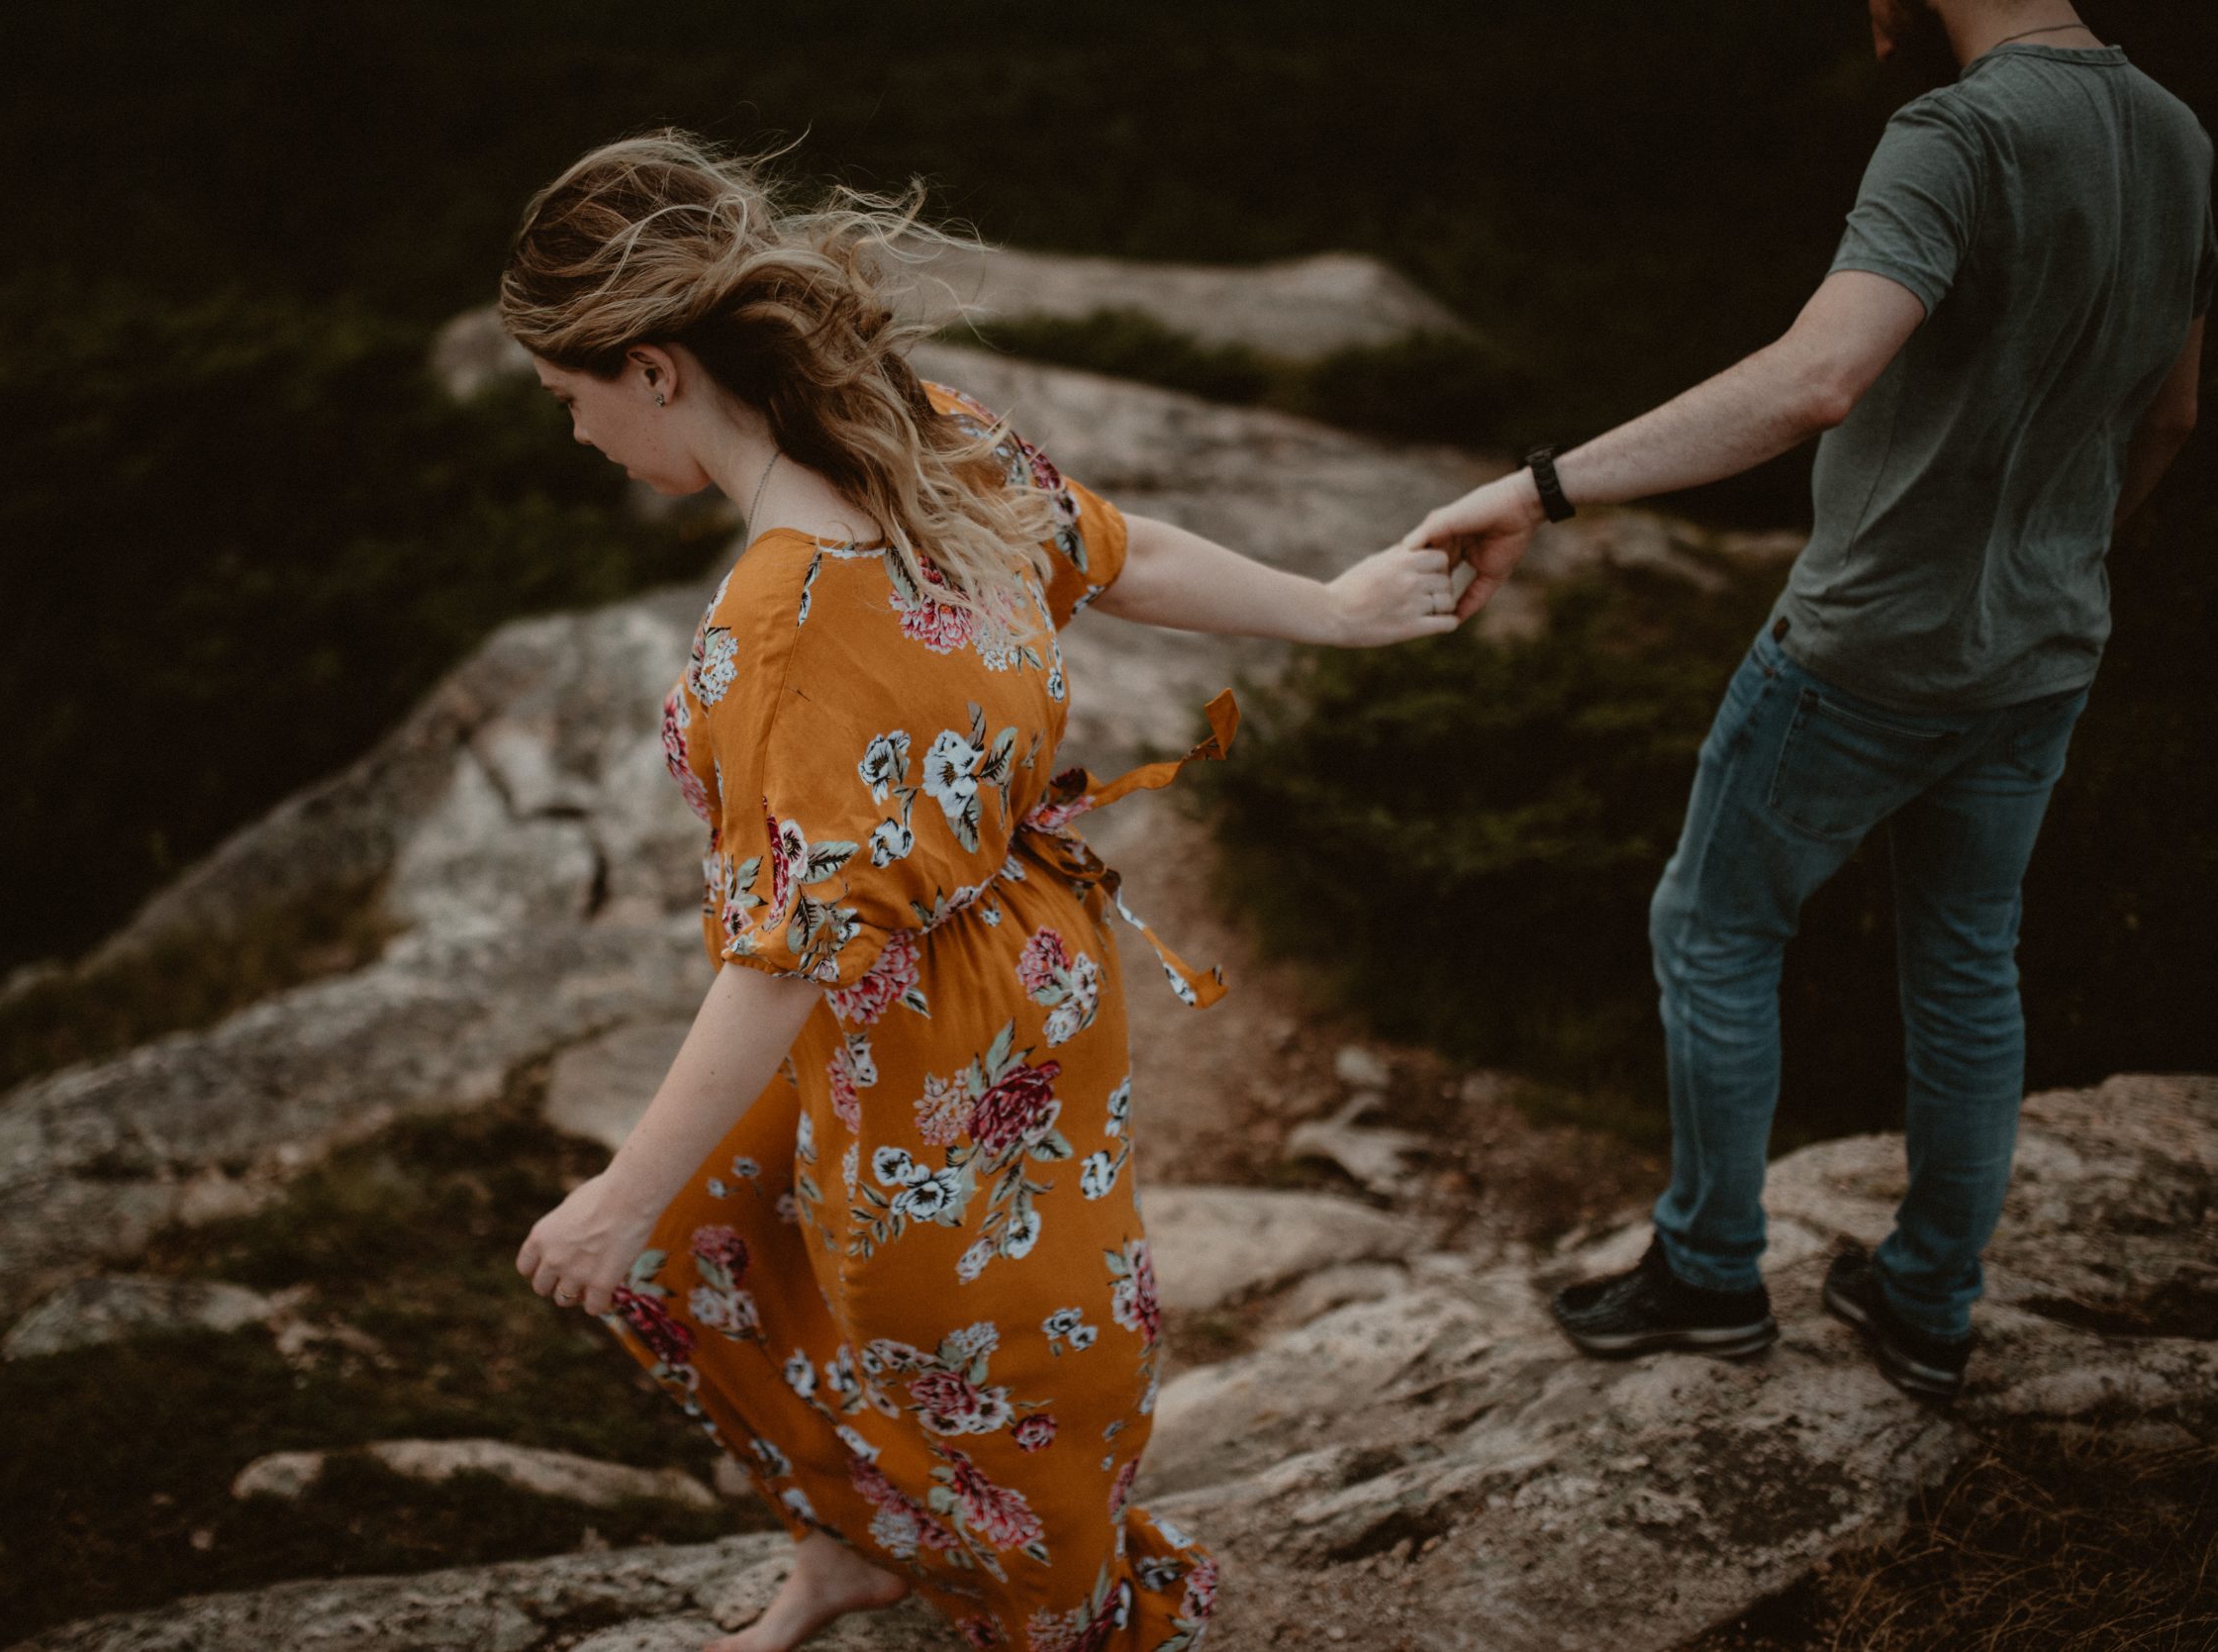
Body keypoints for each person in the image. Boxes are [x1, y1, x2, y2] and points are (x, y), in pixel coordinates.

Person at [501, 134, 1460, 1652]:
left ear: (658, 369)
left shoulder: (794, 611)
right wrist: (1330, 608)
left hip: (942, 1026)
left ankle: (1061, 1616)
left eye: (574, 401)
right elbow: (1114, 553)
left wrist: (614, 1193)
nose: (578, 437)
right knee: (704, 1242)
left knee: (976, 1357)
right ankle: (852, 1545)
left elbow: (787, 956)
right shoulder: (920, 436)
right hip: (968, 964)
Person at [1401, 0, 2211, 1402]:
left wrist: (1536, 488)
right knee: (1967, 961)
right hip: (2043, 646)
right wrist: (2060, 564)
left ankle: (1711, 1270)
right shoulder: (2179, 135)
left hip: (1862, 651)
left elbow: (1817, 378)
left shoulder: (1955, 135)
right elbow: (2174, 415)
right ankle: (1927, 1299)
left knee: (1713, 926)